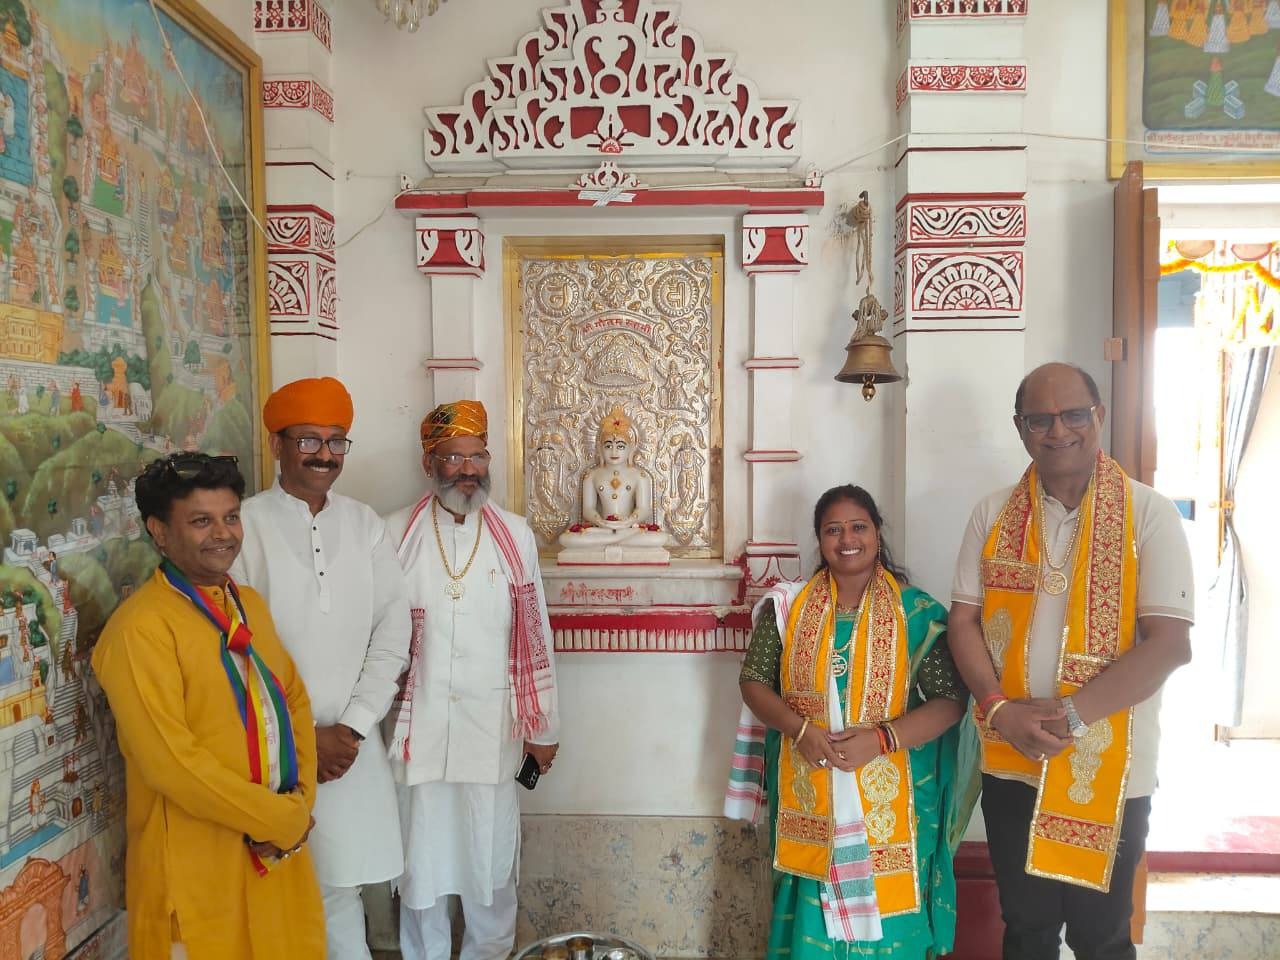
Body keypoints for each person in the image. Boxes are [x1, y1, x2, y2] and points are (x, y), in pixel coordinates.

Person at [948, 362, 1194, 960]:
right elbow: (963, 622)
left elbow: (1169, 643)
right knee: (1026, 930)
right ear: (1020, 427)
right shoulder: (992, 514)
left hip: (1111, 770)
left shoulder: (1148, 513)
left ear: (1098, 416)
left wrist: (1073, 715)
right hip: (1013, 760)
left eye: (1074, 414)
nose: (1059, 431)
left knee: (1100, 937)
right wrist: (998, 709)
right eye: (1040, 419)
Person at [91, 452, 323, 959]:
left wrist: (301, 802)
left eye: (231, 517)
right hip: (197, 872)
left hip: (274, 856)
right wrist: (279, 820)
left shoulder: (247, 603)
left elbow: (293, 699)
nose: (223, 534)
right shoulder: (140, 630)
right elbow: (172, 764)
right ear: (159, 531)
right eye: (201, 521)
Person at [729, 484, 972, 960]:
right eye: (833, 530)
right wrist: (801, 731)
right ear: (819, 539)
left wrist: (882, 739)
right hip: (811, 786)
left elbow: (951, 700)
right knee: (812, 909)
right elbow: (753, 682)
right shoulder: (789, 608)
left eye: (858, 527)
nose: (847, 539)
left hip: (894, 796)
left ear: (877, 533)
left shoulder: (916, 612)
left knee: (891, 915)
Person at [231, 377, 411, 959]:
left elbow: (393, 632)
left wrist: (353, 726)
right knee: (274, 889)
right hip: (271, 751)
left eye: (336, 441)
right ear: (277, 445)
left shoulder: (364, 525)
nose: (325, 454)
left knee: (338, 892)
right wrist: (302, 739)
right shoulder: (243, 527)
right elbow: (235, 652)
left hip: (348, 751)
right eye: (308, 440)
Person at [386, 399, 561, 960]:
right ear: (428, 463)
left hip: (494, 731)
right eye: (453, 457)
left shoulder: (516, 534)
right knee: (421, 872)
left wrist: (544, 728)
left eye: (478, 456)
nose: (468, 469)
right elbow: (378, 634)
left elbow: (536, 633)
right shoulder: (395, 533)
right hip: (420, 733)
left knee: (491, 871)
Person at [556, 405, 667, 551]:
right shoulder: (592, 475)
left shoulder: (640, 476)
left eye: (620, 446)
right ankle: (616, 540)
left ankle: (610, 541)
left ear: (631, 448)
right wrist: (600, 521)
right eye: (608, 446)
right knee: (566, 539)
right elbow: (588, 509)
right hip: (602, 528)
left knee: (660, 538)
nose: (614, 452)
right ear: (599, 448)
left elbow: (643, 509)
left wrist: (628, 522)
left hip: (629, 528)